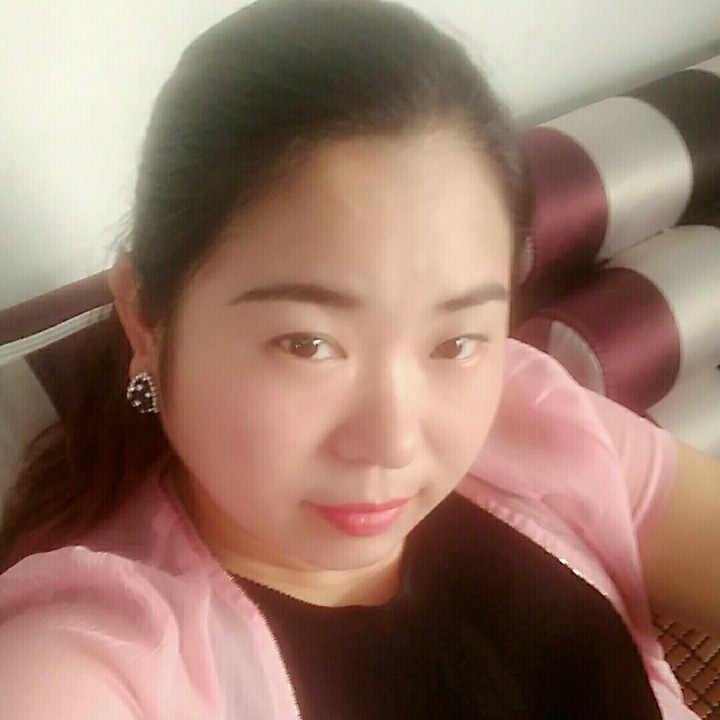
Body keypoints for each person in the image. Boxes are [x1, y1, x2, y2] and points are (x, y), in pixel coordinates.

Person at [0, 1, 718, 717]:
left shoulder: (530, 416)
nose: (393, 442)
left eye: (454, 342)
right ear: (147, 319)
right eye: (308, 344)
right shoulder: (103, 655)